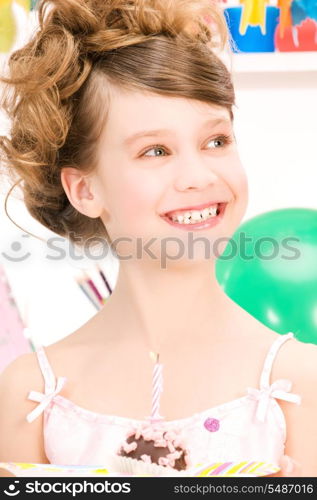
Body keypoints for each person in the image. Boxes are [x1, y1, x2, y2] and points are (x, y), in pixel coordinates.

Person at [0, 0, 316, 477]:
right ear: (85, 189)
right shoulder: (33, 394)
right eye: (155, 151)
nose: (198, 176)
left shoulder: (298, 381)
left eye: (216, 141)